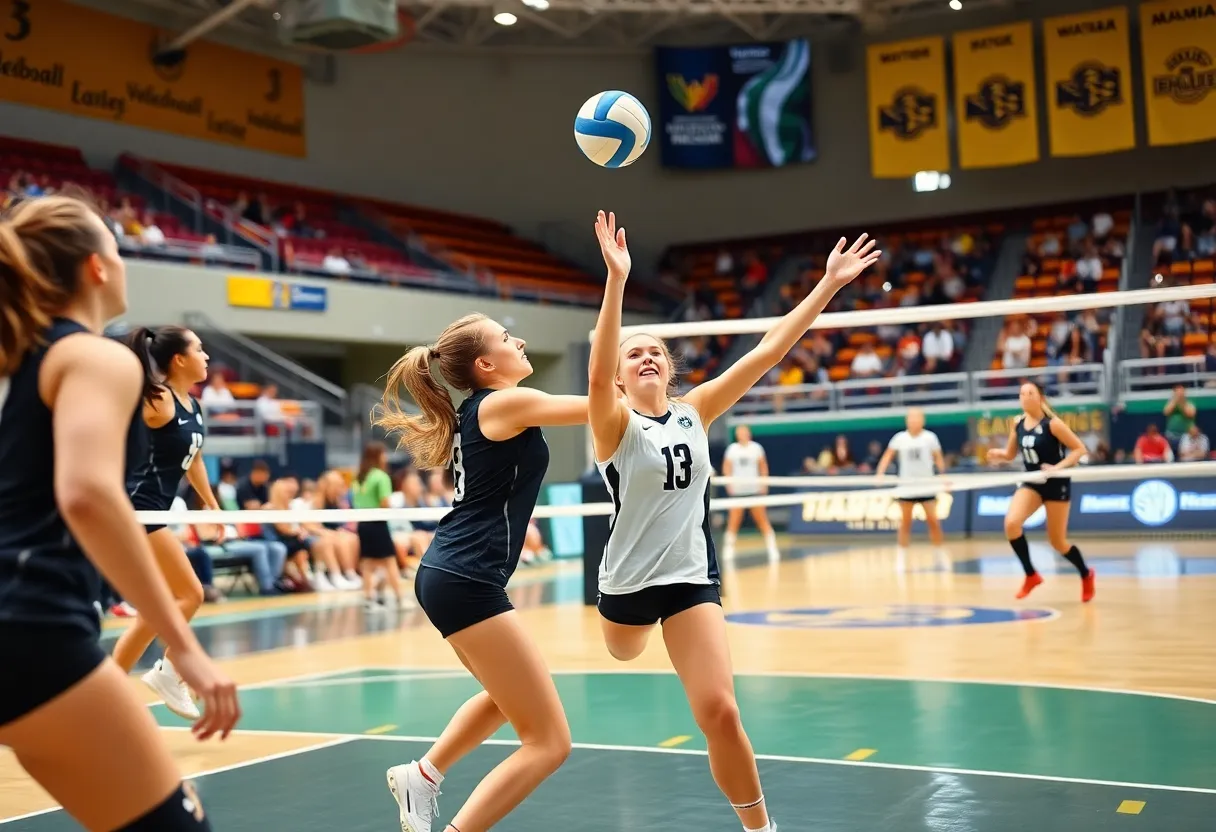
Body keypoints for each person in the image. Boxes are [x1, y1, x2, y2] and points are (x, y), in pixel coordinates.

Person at [587, 210, 880, 832]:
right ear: (618, 374)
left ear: (669, 369)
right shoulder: (613, 423)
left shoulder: (696, 410)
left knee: (721, 712)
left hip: (690, 580)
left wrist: (828, 284)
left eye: (655, 352)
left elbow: (770, 351)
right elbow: (594, 373)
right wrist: (617, 279)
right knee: (624, 652)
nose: (646, 357)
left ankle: (760, 827)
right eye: (633, 353)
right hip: (626, 586)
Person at [0, 194, 239, 831]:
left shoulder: (17, 363)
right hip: (32, 628)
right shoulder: (97, 357)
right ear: (97, 268)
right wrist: (183, 647)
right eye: (117, 247)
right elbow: (87, 494)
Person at [374, 313, 588, 832]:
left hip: (452, 573)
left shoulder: (484, 407)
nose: (521, 340)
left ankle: (423, 775)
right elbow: (602, 407)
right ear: (486, 364)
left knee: (505, 698)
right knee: (549, 743)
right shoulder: (502, 403)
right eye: (506, 337)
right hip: (465, 578)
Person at [112, 325, 225, 721]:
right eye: (199, 349)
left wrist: (211, 504)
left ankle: (108, 690)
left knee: (154, 611)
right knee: (190, 594)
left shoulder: (192, 405)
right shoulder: (156, 400)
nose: (206, 356)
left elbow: (194, 460)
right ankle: (169, 671)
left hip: (157, 510)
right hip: (138, 509)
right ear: (178, 359)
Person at [986, 382, 1095, 602]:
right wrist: (998, 455)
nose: (1025, 397)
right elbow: (1010, 454)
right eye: (1022, 393)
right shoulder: (1017, 423)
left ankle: (1086, 574)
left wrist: (1057, 468)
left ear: (1040, 398)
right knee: (1011, 524)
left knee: (1057, 542)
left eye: (1030, 393)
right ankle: (1031, 575)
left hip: (1056, 484)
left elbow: (1080, 449)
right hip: (1032, 483)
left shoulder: (1053, 424)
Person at [874, 407, 948, 570]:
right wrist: (880, 473)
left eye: (917, 418)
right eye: (911, 418)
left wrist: (943, 477)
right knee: (905, 523)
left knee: (933, 522)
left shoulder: (930, 438)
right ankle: (901, 558)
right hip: (907, 487)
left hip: (926, 486)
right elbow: (887, 456)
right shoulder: (899, 438)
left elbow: (938, 458)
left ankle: (939, 557)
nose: (914, 421)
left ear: (922, 420)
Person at [351, 441, 409, 610]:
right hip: (378, 524)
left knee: (368, 563)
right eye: (383, 454)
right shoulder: (381, 476)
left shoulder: (359, 478)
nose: (385, 458)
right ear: (376, 456)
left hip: (363, 524)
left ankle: (369, 599)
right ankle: (400, 599)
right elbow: (385, 503)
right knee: (390, 561)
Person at [720, 424, 779, 563]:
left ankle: (772, 548)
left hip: (754, 490)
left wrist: (764, 484)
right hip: (738, 492)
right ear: (737, 435)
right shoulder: (732, 449)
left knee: (762, 520)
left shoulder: (756, 448)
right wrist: (729, 484)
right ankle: (728, 550)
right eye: (740, 432)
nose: (742, 435)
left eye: (744, 432)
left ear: (749, 434)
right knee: (733, 522)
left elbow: (763, 466)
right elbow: (727, 467)